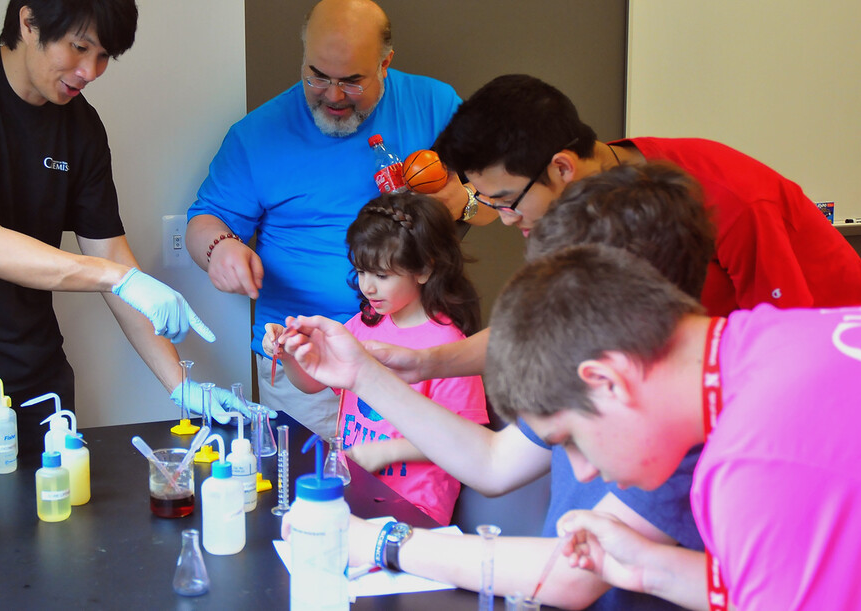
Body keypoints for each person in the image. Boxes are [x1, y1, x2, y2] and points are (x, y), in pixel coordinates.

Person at [274, 164, 720, 610]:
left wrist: (381, 542)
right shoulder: (607, 374)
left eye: (571, 437)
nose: (579, 469)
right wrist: (362, 373)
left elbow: (569, 578)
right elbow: (493, 461)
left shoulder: (689, 417)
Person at [482, 244, 861, 611]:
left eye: (571, 441)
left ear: (606, 381)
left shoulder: (752, 458)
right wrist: (655, 569)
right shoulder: (773, 339)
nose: (582, 472)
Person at [0, 0, 223, 455]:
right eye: (79, 47)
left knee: (64, 511)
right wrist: (122, 280)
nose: (91, 70)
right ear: (29, 21)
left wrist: (182, 388)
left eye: (103, 57)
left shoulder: (82, 127)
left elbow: (112, 256)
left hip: (39, 367)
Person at [373, 73, 861, 385]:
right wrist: (427, 363)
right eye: (486, 202)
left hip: (834, 363)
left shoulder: (730, 201)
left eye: (507, 202)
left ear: (563, 168)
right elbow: (546, 324)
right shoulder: (578, 209)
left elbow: (792, 357)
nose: (504, 219)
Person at [184, 0, 495, 438]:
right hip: (305, 365)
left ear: (385, 63)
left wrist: (462, 200)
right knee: (309, 493)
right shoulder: (257, 135)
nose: (332, 95)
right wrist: (220, 248)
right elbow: (203, 221)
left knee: (414, 488)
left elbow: (497, 201)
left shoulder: (434, 105)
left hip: (419, 349)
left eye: (352, 82)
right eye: (317, 76)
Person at [264, 192, 487, 525]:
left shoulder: (447, 348)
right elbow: (312, 384)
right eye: (361, 272)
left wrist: (384, 452)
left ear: (424, 270)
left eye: (381, 276)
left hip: (414, 507)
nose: (367, 287)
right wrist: (291, 355)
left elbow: (468, 438)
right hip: (358, 490)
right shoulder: (363, 324)